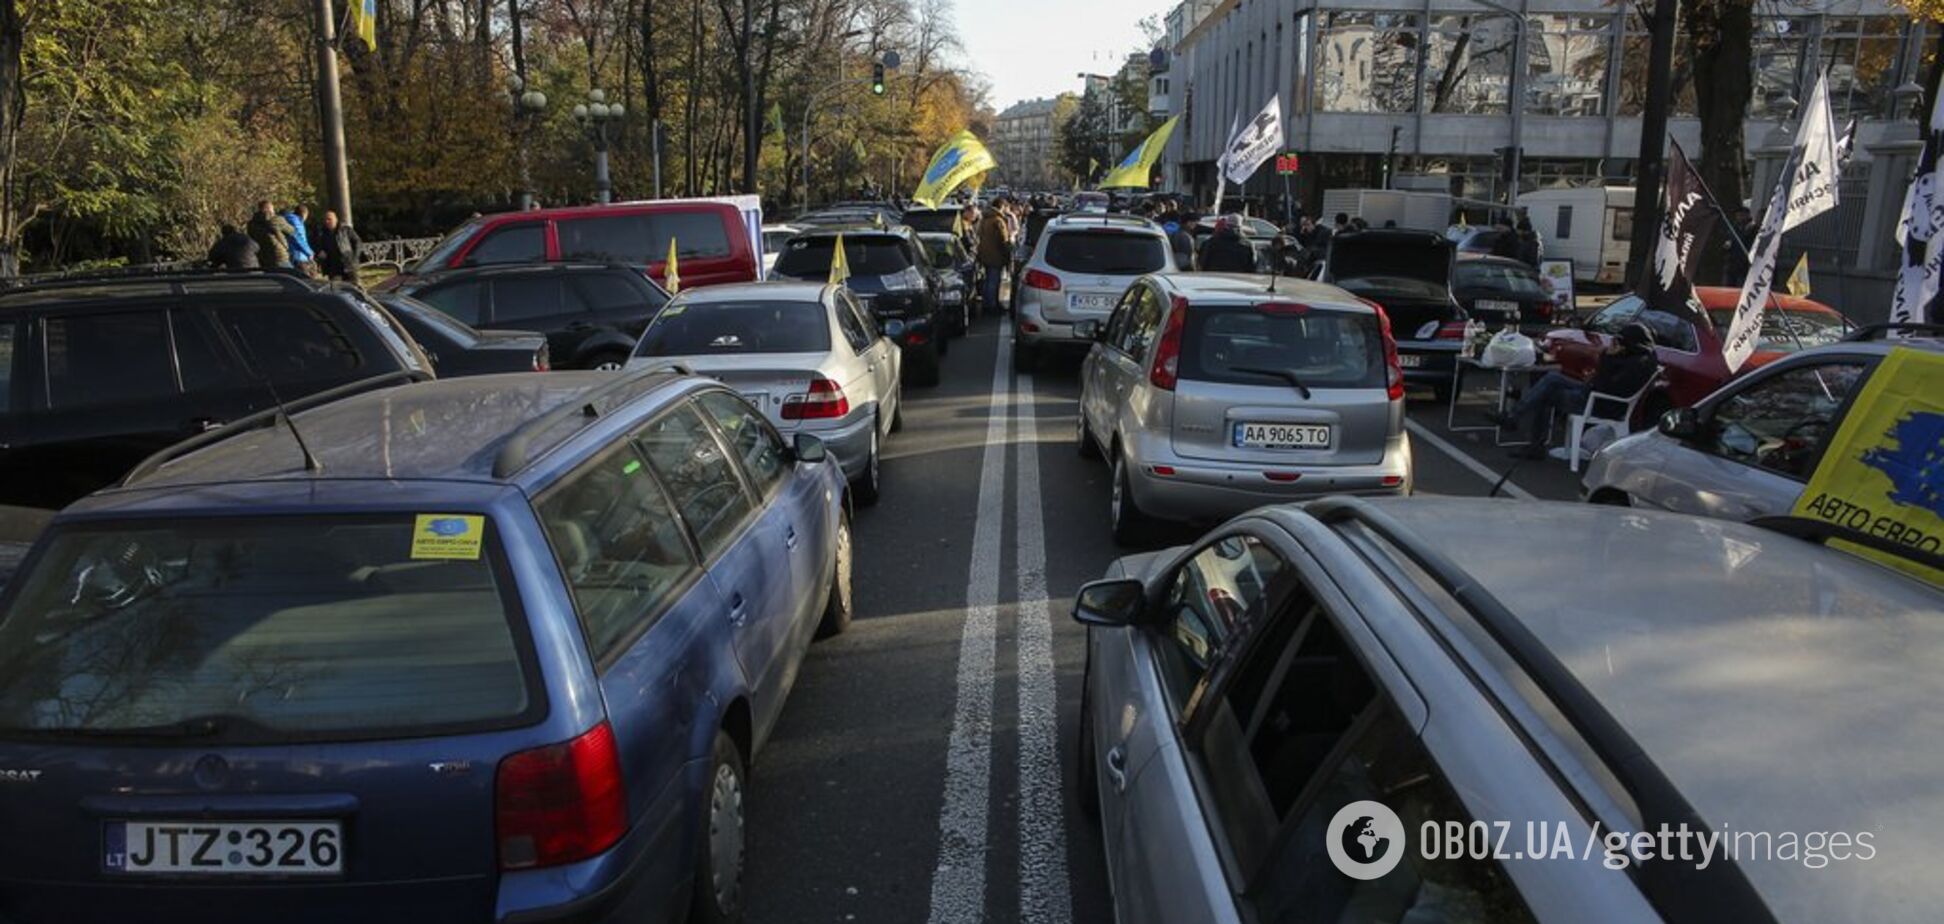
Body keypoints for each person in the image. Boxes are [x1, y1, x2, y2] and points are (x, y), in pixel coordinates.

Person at [1501, 322, 1661, 459]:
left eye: (1618, 342)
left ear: (1629, 344)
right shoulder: (1638, 358)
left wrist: (1609, 357)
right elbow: (1603, 380)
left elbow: (1606, 384)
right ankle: (1515, 416)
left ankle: (1531, 441)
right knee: (1553, 378)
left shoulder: (1636, 365)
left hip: (1599, 404)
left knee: (1546, 394)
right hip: (1593, 393)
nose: (1613, 344)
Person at [975, 197, 1012, 315]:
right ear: (1001, 206)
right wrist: (1008, 251)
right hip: (996, 255)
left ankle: (988, 304)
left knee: (988, 280)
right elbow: (1003, 239)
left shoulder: (984, 219)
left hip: (985, 254)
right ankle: (991, 306)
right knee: (993, 281)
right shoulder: (998, 220)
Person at [315, 210, 362, 281]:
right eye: (325, 219)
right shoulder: (322, 233)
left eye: (329, 219)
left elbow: (357, 242)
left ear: (336, 219)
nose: (327, 221)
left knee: (355, 286)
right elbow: (318, 246)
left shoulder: (345, 230)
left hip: (348, 263)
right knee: (336, 288)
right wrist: (320, 252)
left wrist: (355, 257)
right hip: (333, 266)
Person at [247, 200, 294, 269]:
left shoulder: (252, 224)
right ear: (270, 209)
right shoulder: (276, 219)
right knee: (291, 275)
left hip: (262, 256)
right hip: (279, 254)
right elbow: (291, 230)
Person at [282, 204, 316, 276]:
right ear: (304, 214)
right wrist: (309, 252)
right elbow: (299, 238)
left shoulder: (286, 219)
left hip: (291, 255)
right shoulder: (296, 222)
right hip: (299, 256)